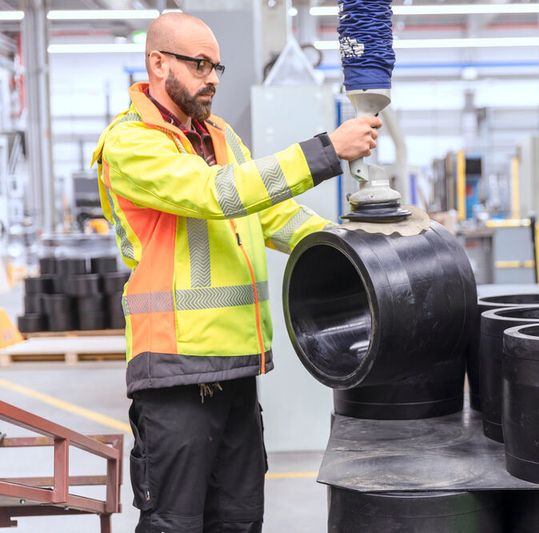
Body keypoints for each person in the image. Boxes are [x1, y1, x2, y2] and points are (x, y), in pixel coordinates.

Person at [91, 12, 380, 533]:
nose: (214, 78)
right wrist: (327, 152)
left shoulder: (220, 135)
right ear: (158, 63)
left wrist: (354, 244)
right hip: (175, 370)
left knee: (240, 519)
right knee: (175, 523)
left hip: (237, 367)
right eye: (200, 65)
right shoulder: (131, 143)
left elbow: (268, 213)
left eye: (217, 66)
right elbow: (217, 194)